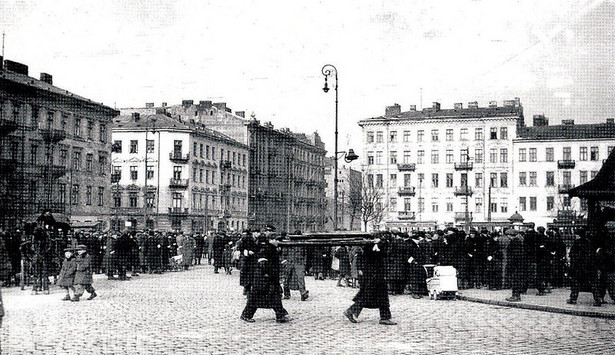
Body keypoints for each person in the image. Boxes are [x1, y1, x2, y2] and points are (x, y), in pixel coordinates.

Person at [344, 235, 397, 325]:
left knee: (377, 297)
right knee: (370, 296)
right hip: (374, 276)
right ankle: (351, 311)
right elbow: (374, 257)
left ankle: (384, 317)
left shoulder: (372, 246)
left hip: (376, 275)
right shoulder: (368, 247)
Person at [240, 233, 289, 323]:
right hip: (264, 278)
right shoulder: (266, 249)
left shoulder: (271, 248)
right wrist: (269, 273)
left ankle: (280, 314)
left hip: (268, 277)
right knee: (256, 298)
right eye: (276, 240)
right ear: (271, 240)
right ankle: (246, 315)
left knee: (274, 296)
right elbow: (262, 262)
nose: (278, 242)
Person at [567, 228, 601, 306]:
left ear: (578, 235)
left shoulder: (576, 244)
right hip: (590, 267)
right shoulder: (589, 243)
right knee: (593, 284)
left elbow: (573, 257)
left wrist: (572, 268)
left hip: (579, 267)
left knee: (575, 284)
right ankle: (597, 299)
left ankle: (573, 299)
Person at [505, 229, 527, 302]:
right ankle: (515, 295)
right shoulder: (517, 242)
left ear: (510, 235)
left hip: (515, 265)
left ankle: (516, 295)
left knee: (515, 280)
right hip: (517, 265)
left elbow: (514, 256)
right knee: (516, 280)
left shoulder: (514, 243)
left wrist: (510, 264)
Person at [237, 230, 258, 296]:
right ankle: (247, 289)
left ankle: (249, 289)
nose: (258, 234)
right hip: (248, 260)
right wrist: (246, 251)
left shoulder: (258, 239)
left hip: (255, 259)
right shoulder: (247, 238)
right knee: (247, 274)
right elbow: (241, 247)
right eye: (257, 233)